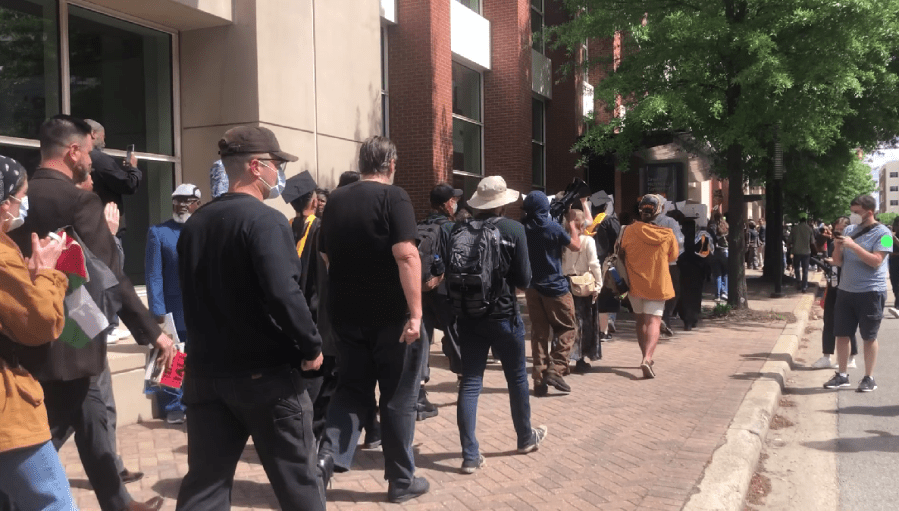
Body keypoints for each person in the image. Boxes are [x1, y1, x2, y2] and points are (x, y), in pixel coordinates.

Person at [9, 115, 172, 511]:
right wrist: (153, 333)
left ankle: (118, 501)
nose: (93, 159)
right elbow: (112, 278)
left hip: (26, 329)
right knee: (46, 430)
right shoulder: (79, 201)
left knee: (92, 412)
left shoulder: (17, 200)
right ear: (73, 151)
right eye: (91, 150)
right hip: (70, 336)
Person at [175, 126, 324, 510]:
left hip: (206, 375)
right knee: (298, 483)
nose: (280, 174)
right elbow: (284, 293)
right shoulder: (266, 222)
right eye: (276, 165)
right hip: (266, 378)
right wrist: (310, 345)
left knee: (205, 486)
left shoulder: (195, 225)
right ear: (255, 167)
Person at [317, 136, 428, 503]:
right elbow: (407, 255)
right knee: (397, 396)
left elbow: (327, 258)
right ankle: (401, 480)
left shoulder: (335, 200)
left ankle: (326, 459)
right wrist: (416, 314)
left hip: (346, 316)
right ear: (391, 164)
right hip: (391, 319)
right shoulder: (393, 198)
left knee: (351, 389)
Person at [449, 175, 547, 474]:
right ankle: (524, 438)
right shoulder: (514, 229)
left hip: (468, 316)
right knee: (516, 378)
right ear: (503, 204)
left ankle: (469, 454)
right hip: (504, 315)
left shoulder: (458, 228)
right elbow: (524, 279)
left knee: (471, 382)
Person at [0, 156, 77, 511]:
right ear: (4, 205)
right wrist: (48, 272)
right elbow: (39, 323)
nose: (22, 207)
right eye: (20, 198)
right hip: (7, 411)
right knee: (52, 502)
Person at [144, 184, 202, 425]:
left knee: (199, 356)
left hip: (201, 308)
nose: (181, 205)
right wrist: (157, 310)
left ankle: (196, 399)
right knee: (173, 356)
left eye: (187, 200)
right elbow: (154, 274)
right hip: (172, 308)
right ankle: (173, 405)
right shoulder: (159, 233)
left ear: (198, 204)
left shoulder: (204, 230)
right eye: (177, 200)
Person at [823, 195, 892, 393]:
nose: (852, 216)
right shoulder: (849, 230)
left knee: (869, 336)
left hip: (871, 292)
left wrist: (854, 246)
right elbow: (838, 262)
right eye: (852, 211)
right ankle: (842, 375)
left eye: (856, 212)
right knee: (842, 333)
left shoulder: (885, 234)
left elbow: (877, 261)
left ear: (869, 212)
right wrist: (837, 247)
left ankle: (869, 377)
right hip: (846, 290)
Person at [522, 191, 583, 396]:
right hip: (555, 287)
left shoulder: (523, 228)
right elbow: (575, 246)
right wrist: (572, 224)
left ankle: (539, 379)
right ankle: (556, 369)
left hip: (532, 287)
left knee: (539, 333)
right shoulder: (552, 227)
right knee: (567, 328)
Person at [620, 194, 678, 379]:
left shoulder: (628, 231)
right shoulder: (667, 234)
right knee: (654, 321)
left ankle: (643, 354)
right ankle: (648, 357)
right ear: (658, 211)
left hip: (634, 283)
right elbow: (673, 257)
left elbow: (621, 252)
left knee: (640, 321)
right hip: (657, 283)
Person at [421, 183, 463, 379]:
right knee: (455, 334)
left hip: (421, 289)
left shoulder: (420, 224)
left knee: (422, 338)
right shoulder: (451, 228)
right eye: (454, 200)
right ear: (447, 204)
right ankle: (464, 378)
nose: (455, 204)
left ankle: (419, 385)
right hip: (445, 291)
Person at [813, 217, 858, 369]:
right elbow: (833, 267)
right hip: (833, 285)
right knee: (828, 320)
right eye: (836, 229)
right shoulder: (833, 243)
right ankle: (827, 356)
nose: (838, 232)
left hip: (848, 286)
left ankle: (851, 358)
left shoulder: (854, 245)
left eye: (842, 229)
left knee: (848, 323)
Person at [84, 120, 141, 240]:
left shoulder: (72, 157)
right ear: (93, 134)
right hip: (106, 228)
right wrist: (133, 168)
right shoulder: (100, 160)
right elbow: (128, 184)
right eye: (103, 136)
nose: (104, 142)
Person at [564, 209, 604, 372]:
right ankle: (580, 359)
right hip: (584, 284)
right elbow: (594, 264)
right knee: (583, 322)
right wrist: (599, 284)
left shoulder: (563, 240)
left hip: (566, 282)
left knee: (567, 322)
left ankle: (563, 358)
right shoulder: (588, 241)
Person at [653, 207, 685, 335]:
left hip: (653, 262)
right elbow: (680, 241)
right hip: (670, 262)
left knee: (656, 292)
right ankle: (665, 317)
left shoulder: (643, 223)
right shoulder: (670, 222)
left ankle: (657, 318)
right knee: (672, 291)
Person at [790, 214, 815, 292]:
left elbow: (789, 240)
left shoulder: (794, 228)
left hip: (796, 251)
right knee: (805, 270)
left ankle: (798, 282)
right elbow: (812, 242)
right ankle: (804, 286)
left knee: (796, 268)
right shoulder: (809, 229)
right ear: (806, 220)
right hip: (806, 252)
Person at [888, 217, 899, 309]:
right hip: (893, 263)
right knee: (894, 283)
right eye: (895, 224)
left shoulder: (894, 237)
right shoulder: (891, 235)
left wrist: (895, 239)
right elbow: (884, 247)